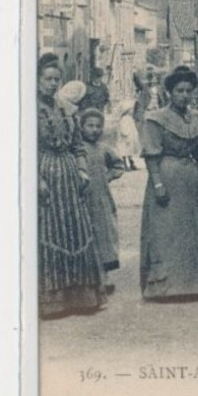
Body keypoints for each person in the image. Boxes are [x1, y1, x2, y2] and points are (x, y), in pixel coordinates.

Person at [37, 52, 105, 319]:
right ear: (38, 79)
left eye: (57, 79)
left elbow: (77, 145)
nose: (53, 84)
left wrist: (83, 170)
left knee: (76, 231)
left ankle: (81, 297)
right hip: (45, 175)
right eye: (48, 79)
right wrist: (37, 179)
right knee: (51, 233)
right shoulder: (29, 108)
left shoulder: (65, 108)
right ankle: (53, 300)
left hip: (70, 178)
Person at [139, 64, 198, 302]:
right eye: (179, 90)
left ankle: (195, 284)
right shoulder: (156, 119)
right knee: (166, 231)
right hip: (166, 177)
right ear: (170, 92)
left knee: (190, 230)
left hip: (189, 180)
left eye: (188, 90)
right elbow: (151, 155)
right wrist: (158, 184)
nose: (184, 95)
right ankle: (165, 287)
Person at [78, 108, 125, 293]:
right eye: (89, 126)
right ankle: (89, 280)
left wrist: (109, 176)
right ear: (81, 127)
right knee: (87, 237)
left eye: (98, 126)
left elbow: (118, 165)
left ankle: (105, 279)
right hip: (83, 199)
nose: (94, 130)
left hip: (101, 199)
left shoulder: (104, 148)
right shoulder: (78, 149)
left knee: (104, 237)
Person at [116, 96, 141, 171]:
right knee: (124, 152)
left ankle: (131, 163)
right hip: (126, 139)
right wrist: (126, 135)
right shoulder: (125, 119)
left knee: (130, 152)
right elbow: (124, 129)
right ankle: (125, 165)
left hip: (130, 139)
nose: (132, 111)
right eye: (131, 110)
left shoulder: (130, 118)